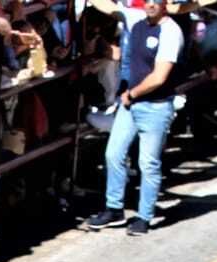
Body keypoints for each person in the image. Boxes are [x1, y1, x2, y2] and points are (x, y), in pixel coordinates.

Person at [83, 0, 181, 236]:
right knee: (113, 154)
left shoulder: (170, 32)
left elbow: (159, 77)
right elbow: (109, 8)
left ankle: (144, 217)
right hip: (131, 104)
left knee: (148, 164)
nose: (150, 5)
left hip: (155, 106)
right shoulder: (136, 20)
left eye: (156, 2)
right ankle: (114, 208)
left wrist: (132, 94)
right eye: (148, 1)